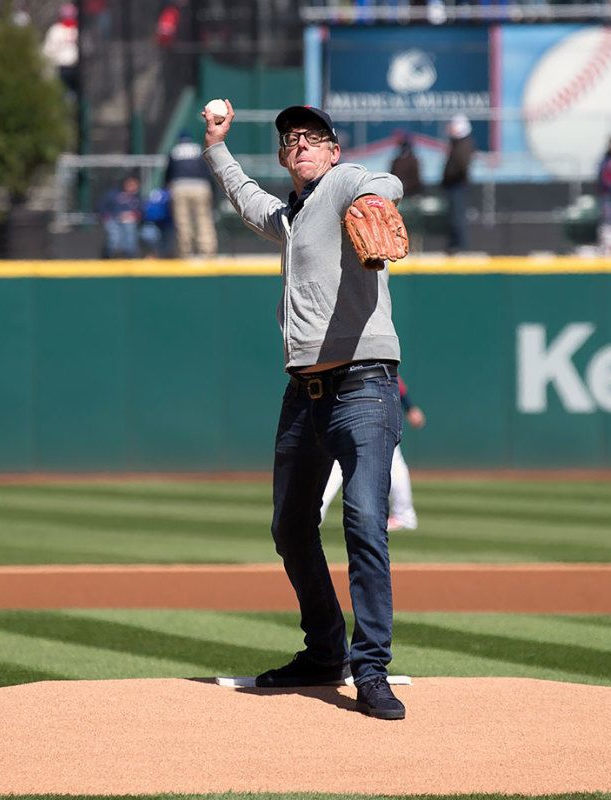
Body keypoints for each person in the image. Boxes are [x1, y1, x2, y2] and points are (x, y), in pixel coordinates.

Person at [201, 100, 407, 720]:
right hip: (304, 395)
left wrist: (373, 199)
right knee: (291, 527)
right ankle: (325, 652)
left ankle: (370, 670)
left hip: (364, 386)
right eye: (291, 140)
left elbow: (385, 182)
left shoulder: (345, 184)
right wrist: (216, 146)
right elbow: (244, 196)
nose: (300, 146)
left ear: (333, 150)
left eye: (312, 138)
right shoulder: (290, 215)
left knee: (365, 520)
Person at [320, 375, 426, 531]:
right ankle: (404, 515)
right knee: (394, 461)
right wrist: (409, 407)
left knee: (336, 462)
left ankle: (315, 515)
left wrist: (409, 407)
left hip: (363, 405)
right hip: (380, 404)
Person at [165, 131, 218, 259]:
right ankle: (207, 251)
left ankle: (185, 252)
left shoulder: (174, 151)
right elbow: (209, 171)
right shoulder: (198, 149)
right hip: (201, 186)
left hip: (180, 186)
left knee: (182, 221)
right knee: (204, 219)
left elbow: (168, 174)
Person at [441, 113, 475, 255]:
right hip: (453, 185)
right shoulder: (457, 144)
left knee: (457, 217)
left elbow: (461, 166)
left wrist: (450, 176)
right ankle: (455, 245)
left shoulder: (463, 145)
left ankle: (460, 246)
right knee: (453, 217)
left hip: (457, 186)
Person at [98, 176, 143, 258]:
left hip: (131, 222)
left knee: (130, 236)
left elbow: (142, 210)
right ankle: (110, 255)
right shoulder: (113, 193)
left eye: (134, 184)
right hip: (114, 220)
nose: (132, 186)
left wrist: (133, 215)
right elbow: (103, 207)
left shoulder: (138, 197)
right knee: (115, 237)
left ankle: (130, 256)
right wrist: (112, 216)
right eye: (130, 184)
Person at [42, 3, 79, 99]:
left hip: (78, 67)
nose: (69, 18)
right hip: (62, 67)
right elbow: (48, 50)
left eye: (71, 16)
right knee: (64, 94)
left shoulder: (79, 29)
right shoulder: (56, 30)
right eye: (67, 16)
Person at [389, 130, 424, 199]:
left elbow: (415, 178)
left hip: (409, 192)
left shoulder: (410, 160)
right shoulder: (397, 160)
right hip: (400, 192)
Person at [140, 186, 172, 257]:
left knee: (166, 246)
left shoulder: (157, 192)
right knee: (151, 239)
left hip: (166, 224)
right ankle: (152, 255)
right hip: (154, 223)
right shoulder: (161, 193)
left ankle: (159, 255)